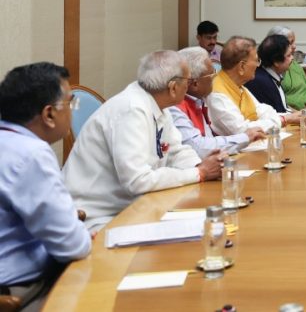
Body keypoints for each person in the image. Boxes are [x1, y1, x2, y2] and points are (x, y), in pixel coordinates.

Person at [63, 51, 223, 231]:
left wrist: (206, 166)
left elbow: (177, 151)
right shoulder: (131, 110)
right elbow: (137, 181)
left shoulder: (159, 104)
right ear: (172, 87)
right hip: (96, 217)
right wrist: (199, 173)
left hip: (134, 206)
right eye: (187, 82)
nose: (188, 87)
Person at [0, 63, 91, 311]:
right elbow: (73, 246)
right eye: (70, 104)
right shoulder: (31, 154)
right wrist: (78, 230)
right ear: (49, 114)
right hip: (25, 290)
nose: (72, 113)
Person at [169, 47, 265, 157]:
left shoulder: (199, 100)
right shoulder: (174, 107)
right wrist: (245, 137)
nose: (216, 77)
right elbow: (198, 148)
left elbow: (209, 140)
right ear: (195, 84)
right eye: (212, 73)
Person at [208, 36, 296, 136]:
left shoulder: (239, 86)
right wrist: (284, 119)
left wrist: (294, 117)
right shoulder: (217, 94)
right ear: (241, 66)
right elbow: (242, 131)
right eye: (256, 60)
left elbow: (263, 111)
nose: (258, 65)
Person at [245, 35, 306, 123]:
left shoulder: (272, 77)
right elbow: (275, 119)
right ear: (276, 61)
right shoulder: (261, 82)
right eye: (288, 55)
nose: (292, 58)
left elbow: (284, 112)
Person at [267, 26, 306, 111]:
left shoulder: (295, 64)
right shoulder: (271, 70)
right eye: (290, 42)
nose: (294, 46)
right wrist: (301, 116)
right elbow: (278, 104)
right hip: (288, 116)